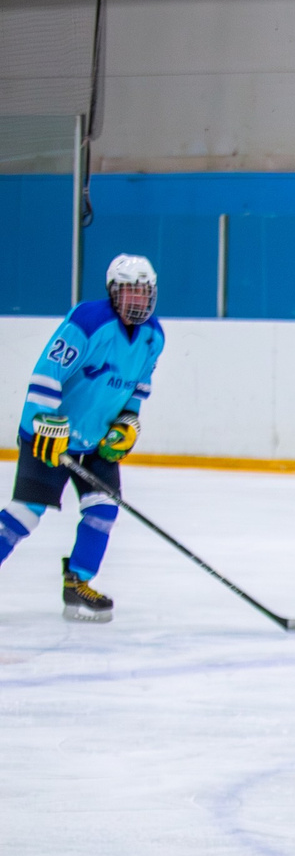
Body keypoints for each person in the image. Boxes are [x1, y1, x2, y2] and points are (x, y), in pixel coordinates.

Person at [5, 254, 164, 622]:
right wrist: (46, 421)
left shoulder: (154, 336)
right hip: (50, 435)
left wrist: (127, 425)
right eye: (129, 293)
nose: (137, 301)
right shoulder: (88, 321)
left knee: (103, 511)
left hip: (95, 442)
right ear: (112, 292)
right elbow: (46, 374)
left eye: (144, 294)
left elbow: (137, 390)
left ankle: (78, 581)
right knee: (25, 516)